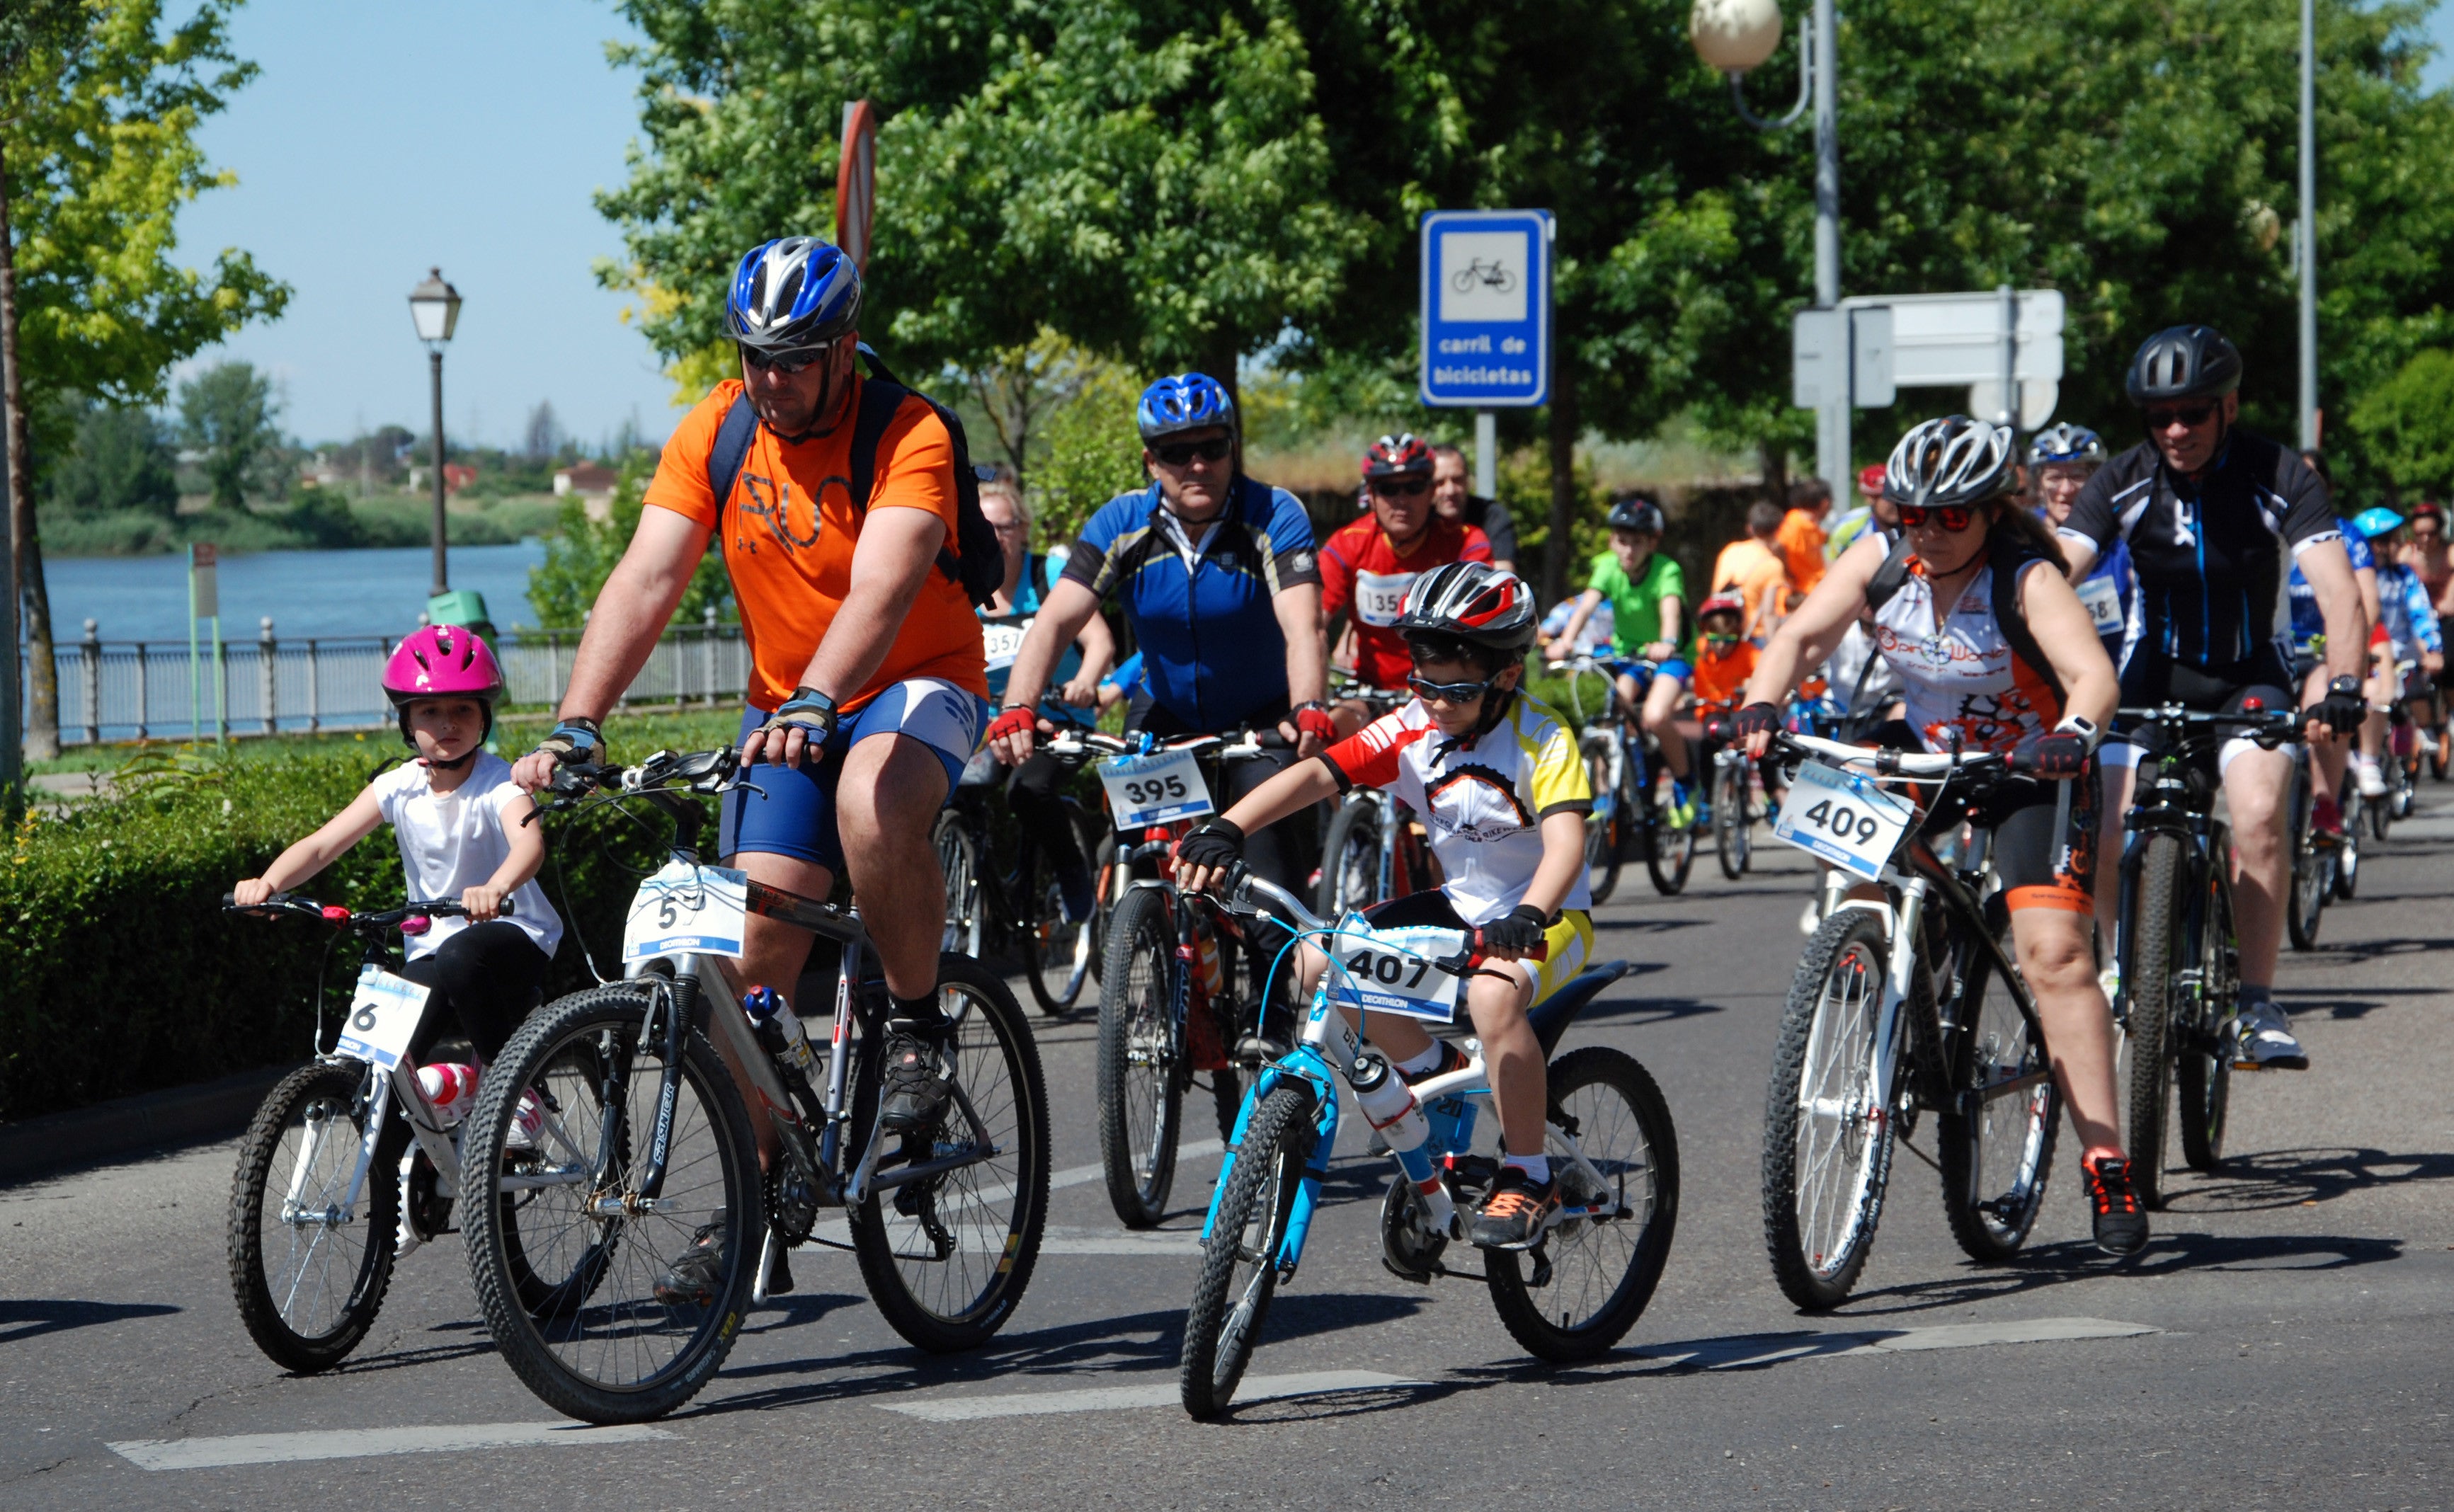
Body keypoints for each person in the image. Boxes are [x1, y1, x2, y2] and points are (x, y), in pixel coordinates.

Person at [510, 237, 988, 1305]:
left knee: (871, 806)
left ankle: (915, 1027)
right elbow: (645, 577)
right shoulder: (719, 427)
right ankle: (763, 1199)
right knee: (748, 974)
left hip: (915, 682)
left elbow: (886, 581)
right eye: (757, 356)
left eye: (797, 359)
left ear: (845, 349)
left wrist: (824, 695)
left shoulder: (907, 431)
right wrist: (578, 722)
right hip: (788, 709)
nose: (774, 381)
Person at [1735, 416, 2146, 1256]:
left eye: (1950, 515)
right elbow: (1801, 637)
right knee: (1829, 793)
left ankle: (2106, 1158)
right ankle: (1892, 957)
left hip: (2030, 772)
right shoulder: (1885, 564)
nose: (1926, 529)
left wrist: (2072, 731)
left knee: (2055, 958)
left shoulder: (2025, 579)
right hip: (1929, 760)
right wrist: (1760, 702)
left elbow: (2091, 677)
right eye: (1908, 512)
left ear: (1991, 512)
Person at [1172, 562, 1594, 1249]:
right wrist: (1229, 827)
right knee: (1315, 962)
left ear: (1506, 678)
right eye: (1421, 681)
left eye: (1453, 688)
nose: (1433, 701)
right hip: (1459, 903)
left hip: (1543, 916)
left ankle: (1528, 1173)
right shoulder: (1410, 727)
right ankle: (1436, 1074)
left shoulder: (1542, 738)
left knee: (1492, 1001)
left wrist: (1531, 916)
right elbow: (1317, 772)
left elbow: (1566, 845)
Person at [2055, 325, 2366, 1072]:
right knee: (2104, 823)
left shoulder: (2279, 473)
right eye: (2159, 415)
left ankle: (2256, 1001)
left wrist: (2347, 684)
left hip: (2248, 673)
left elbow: (2339, 596)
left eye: (2193, 413)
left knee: (2257, 815)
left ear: (2228, 407)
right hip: (2150, 676)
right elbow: (2056, 570)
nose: (2175, 430)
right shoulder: (2123, 480)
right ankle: (2118, 964)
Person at [236, 626, 564, 1249]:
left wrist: (495, 887)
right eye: (431, 711)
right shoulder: (399, 786)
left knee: (465, 952)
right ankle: (402, 1196)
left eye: (463, 710)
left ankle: (522, 1092)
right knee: (378, 1061)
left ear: (485, 716)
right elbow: (323, 844)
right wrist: (269, 883)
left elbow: (529, 842)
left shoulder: (500, 783)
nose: (448, 724)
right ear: (405, 722)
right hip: (434, 950)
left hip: (510, 935)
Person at [990, 372, 1331, 900]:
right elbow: (1055, 621)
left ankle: (1272, 967)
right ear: (1151, 462)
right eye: (1176, 452)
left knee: (1267, 892)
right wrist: (1018, 706)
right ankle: (1143, 942)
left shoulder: (1273, 513)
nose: (1197, 464)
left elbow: (1303, 624)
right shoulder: (1121, 523)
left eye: (1212, 447)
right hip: (1164, 706)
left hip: (1262, 713)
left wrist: (1309, 703)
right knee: (1139, 859)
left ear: (1232, 449)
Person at [976, 473, 1114, 915]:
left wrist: (1087, 681)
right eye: (985, 528)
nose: (995, 538)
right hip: (990, 722)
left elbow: (1100, 642)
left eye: (1004, 527)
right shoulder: (966, 586)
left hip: (1060, 721)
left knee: (1028, 790)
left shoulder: (1050, 573)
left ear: (1023, 529)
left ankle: (1074, 873)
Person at [1545, 497, 1703, 823]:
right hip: (1630, 654)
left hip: (1670, 655)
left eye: (1638, 543)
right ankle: (1606, 794)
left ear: (1652, 542)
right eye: (1622, 541)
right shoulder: (1607, 566)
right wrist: (1566, 641)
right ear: (1612, 541)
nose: (1629, 551)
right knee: (1612, 711)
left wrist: (1668, 641)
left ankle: (1686, 784)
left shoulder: (1666, 570)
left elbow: (1670, 610)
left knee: (1657, 716)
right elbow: (1586, 606)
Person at [1320, 433, 1492, 731]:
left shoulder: (1467, 542)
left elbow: (1483, 625)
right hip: (1370, 691)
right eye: (1388, 489)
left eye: (1414, 487)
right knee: (1327, 736)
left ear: (1431, 492)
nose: (1401, 501)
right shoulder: (1346, 545)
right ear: (1370, 495)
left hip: (1444, 693)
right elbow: (1309, 624)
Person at [1713, 499, 1796, 641]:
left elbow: (1716, 593)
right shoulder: (1773, 565)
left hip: (1726, 635)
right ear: (1778, 531)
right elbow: (1769, 613)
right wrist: (1773, 648)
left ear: (1750, 528)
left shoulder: (1730, 550)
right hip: (1754, 635)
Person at [1429, 442, 1517, 573]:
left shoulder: (1492, 516)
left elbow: (1505, 575)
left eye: (1457, 480)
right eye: (1440, 483)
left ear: (1467, 480)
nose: (1450, 490)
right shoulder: (1417, 521)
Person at [1824, 462, 1891, 562]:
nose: (1894, 503)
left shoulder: (1913, 523)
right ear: (1869, 498)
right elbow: (1831, 564)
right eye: (1886, 497)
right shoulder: (1848, 525)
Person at [1776, 478, 1832, 597]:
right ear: (1825, 503)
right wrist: (1789, 578)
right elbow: (1776, 548)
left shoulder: (1810, 525)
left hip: (1815, 591)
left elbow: (1824, 538)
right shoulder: (1794, 525)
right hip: (1798, 597)